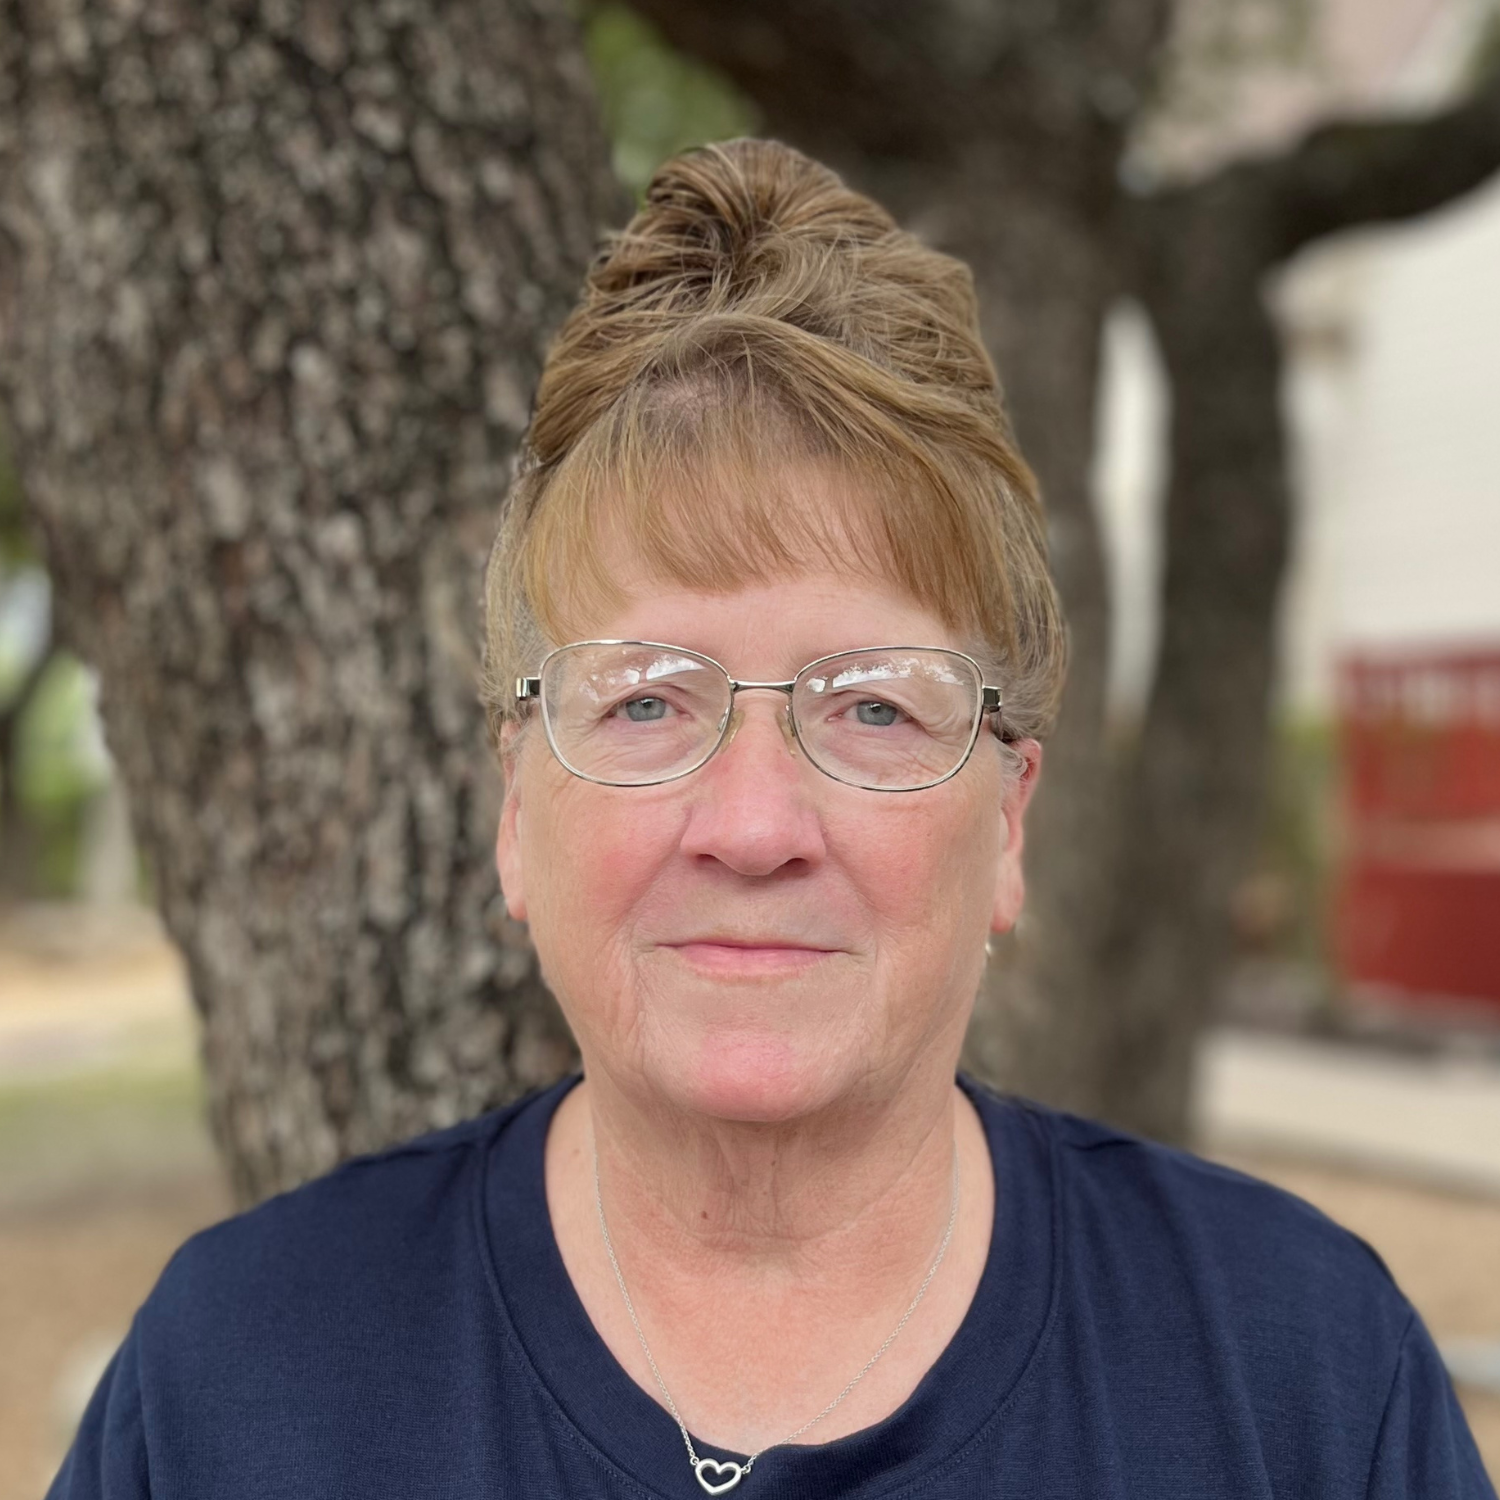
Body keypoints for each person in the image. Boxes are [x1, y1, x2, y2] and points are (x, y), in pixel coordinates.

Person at [51, 138, 1494, 1500]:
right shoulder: (235, 1385)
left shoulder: (1303, 1383)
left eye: (872, 709)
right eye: (645, 702)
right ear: (515, 811)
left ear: (1007, 825)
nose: (752, 826)